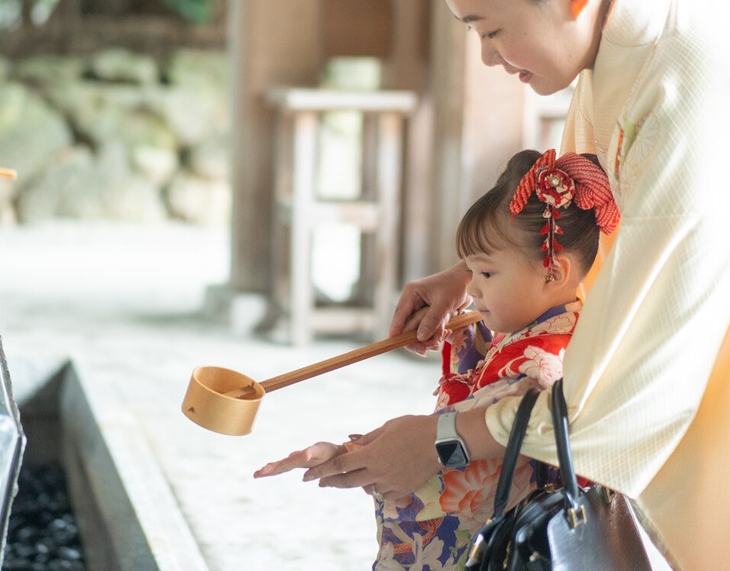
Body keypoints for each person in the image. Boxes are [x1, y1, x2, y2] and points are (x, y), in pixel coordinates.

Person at [275, 0, 730, 571]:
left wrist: (443, 437)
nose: (486, 56)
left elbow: (624, 397)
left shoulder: (686, 86)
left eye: (492, 28)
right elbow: (575, 214)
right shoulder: (625, 42)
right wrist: (468, 274)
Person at [254, 148, 619, 569]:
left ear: (553, 272)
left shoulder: (538, 369)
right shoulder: (548, 333)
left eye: (486, 273)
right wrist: (355, 452)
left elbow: (444, 473)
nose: (472, 290)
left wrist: (350, 458)